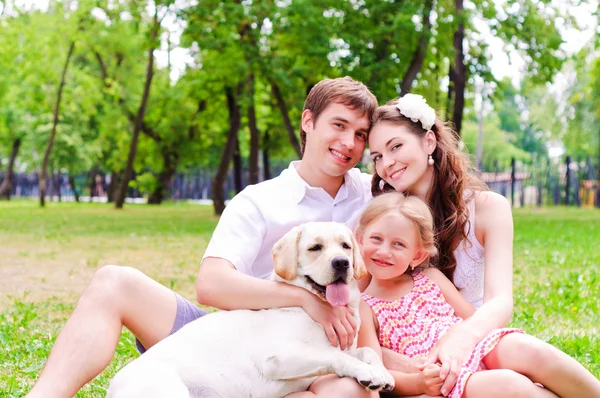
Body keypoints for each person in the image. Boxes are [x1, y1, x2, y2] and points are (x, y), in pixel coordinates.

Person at [26, 77, 380, 398]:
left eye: (361, 134)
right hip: (230, 341)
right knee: (114, 281)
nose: (349, 142)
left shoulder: (373, 193)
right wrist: (306, 300)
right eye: (339, 125)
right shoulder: (260, 199)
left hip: (307, 360)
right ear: (308, 121)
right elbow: (212, 284)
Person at [355, 192, 600, 398]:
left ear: (417, 255)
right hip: (445, 377)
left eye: (399, 244)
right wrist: (419, 384)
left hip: (474, 348)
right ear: (360, 240)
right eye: (376, 239)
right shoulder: (365, 307)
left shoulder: (429, 277)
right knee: (510, 385)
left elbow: (473, 319)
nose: (384, 251)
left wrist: (461, 337)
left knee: (527, 348)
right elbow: (376, 369)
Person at [362, 93, 516, 396]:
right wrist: (397, 362)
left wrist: (460, 338)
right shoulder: (389, 220)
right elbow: (363, 301)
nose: (387, 163)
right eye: (378, 156)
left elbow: (501, 301)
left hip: (478, 340)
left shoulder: (489, 208)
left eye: (396, 146)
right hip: (420, 363)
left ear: (429, 142)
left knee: (523, 377)